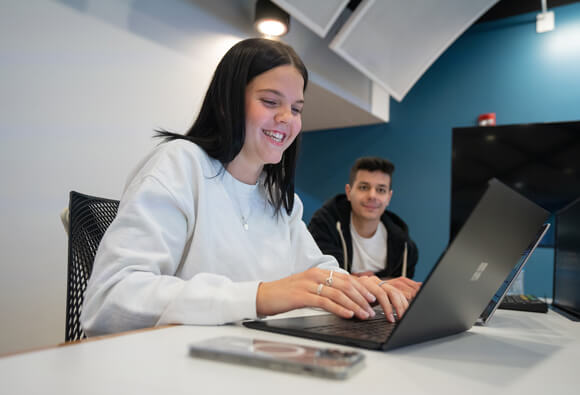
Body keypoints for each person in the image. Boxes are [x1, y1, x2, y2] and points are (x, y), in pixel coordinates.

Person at [80, 38, 410, 336]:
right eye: (270, 101)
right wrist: (261, 295)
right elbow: (110, 301)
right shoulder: (181, 164)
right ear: (227, 103)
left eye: (296, 108)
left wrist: (370, 290)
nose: (287, 118)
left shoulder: (280, 199)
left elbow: (318, 275)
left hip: (250, 362)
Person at [308, 157, 420, 300]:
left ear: (389, 197)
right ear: (349, 192)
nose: (372, 196)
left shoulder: (405, 247)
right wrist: (377, 283)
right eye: (364, 187)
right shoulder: (324, 226)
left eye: (381, 189)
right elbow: (323, 278)